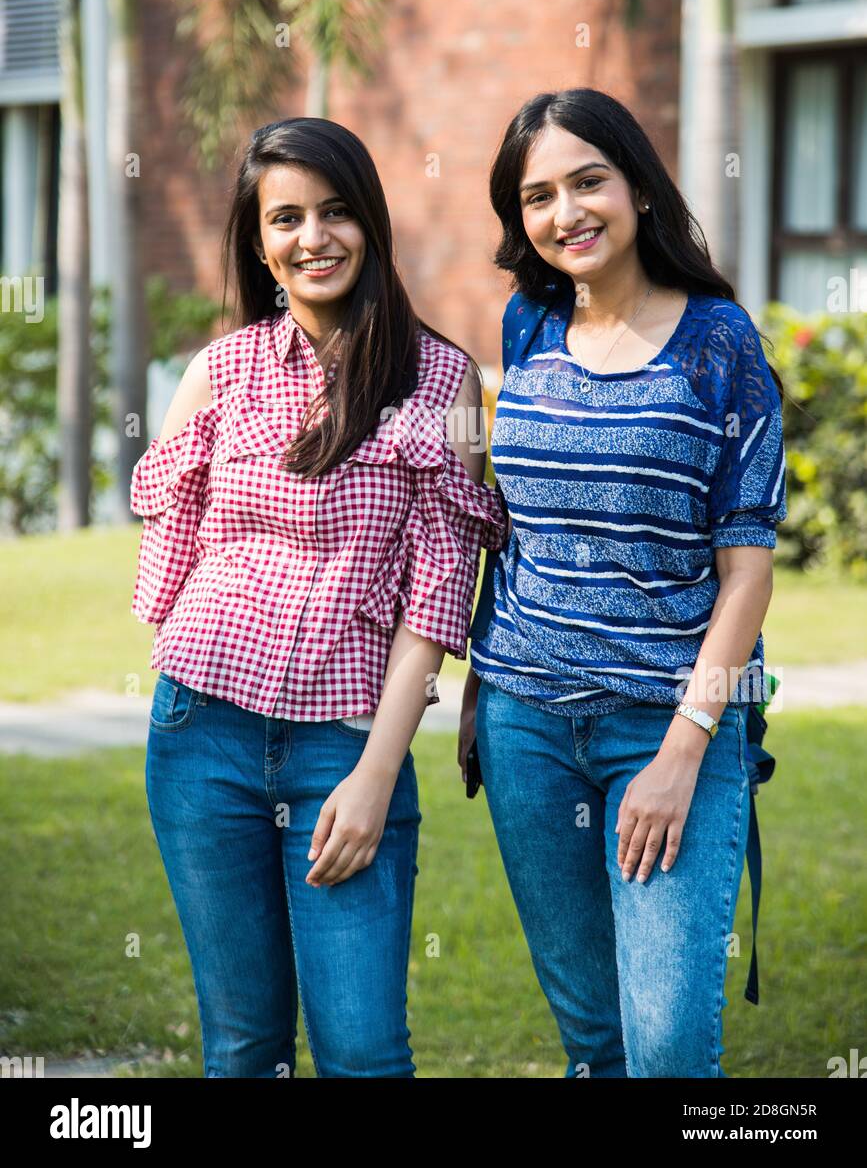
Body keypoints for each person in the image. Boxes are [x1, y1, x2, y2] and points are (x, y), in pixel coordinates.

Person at [131, 116, 507, 1078]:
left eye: (336, 212)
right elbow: (168, 560)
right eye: (286, 217)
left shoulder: (443, 379)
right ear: (258, 241)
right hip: (201, 738)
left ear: (371, 224)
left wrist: (377, 774)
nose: (313, 237)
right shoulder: (218, 370)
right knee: (245, 1046)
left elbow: (438, 593)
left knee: (362, 1051)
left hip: (347, 744)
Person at [461, 88, 787, 1078]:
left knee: (670, 1049)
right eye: (539, 195)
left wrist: (686, 750)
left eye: (589, 180)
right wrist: (480, 682)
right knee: (598, 1046)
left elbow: (747, 573)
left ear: (639, 186)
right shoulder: (528, 325)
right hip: (527, 725)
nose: (567, 212)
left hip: (671, 721)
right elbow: (512, 523)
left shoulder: (719, 342)